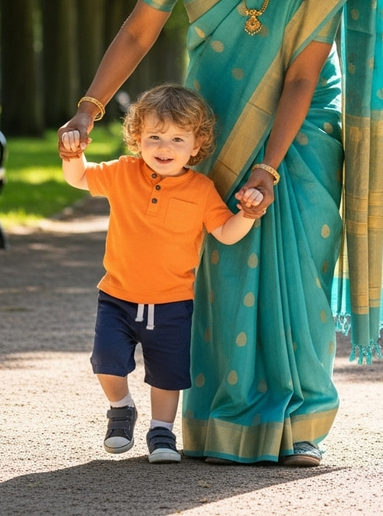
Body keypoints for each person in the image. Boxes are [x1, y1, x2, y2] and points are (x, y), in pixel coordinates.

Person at [58, 0, 383, 466]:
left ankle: (302, 424)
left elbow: (303, 77)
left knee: (300, 276)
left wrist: (270, 167)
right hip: (213, 124)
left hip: (301, 134)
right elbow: (141, 29)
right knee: (222, 274)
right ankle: (224, 422)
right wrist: (91, 104)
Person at [61, 83, 264, 464]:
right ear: (137, 139)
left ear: (196, 145)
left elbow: (226, 233)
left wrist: (248, 215)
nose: (164, 148)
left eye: (176, 138)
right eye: (153, 136)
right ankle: (121, 410)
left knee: (167, 375)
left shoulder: (202, 189)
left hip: (172, 302)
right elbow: (80, 178)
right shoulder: (123, 172)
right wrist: (72, 154)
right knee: (105, 360)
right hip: (117, 295)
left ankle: (162, 432)